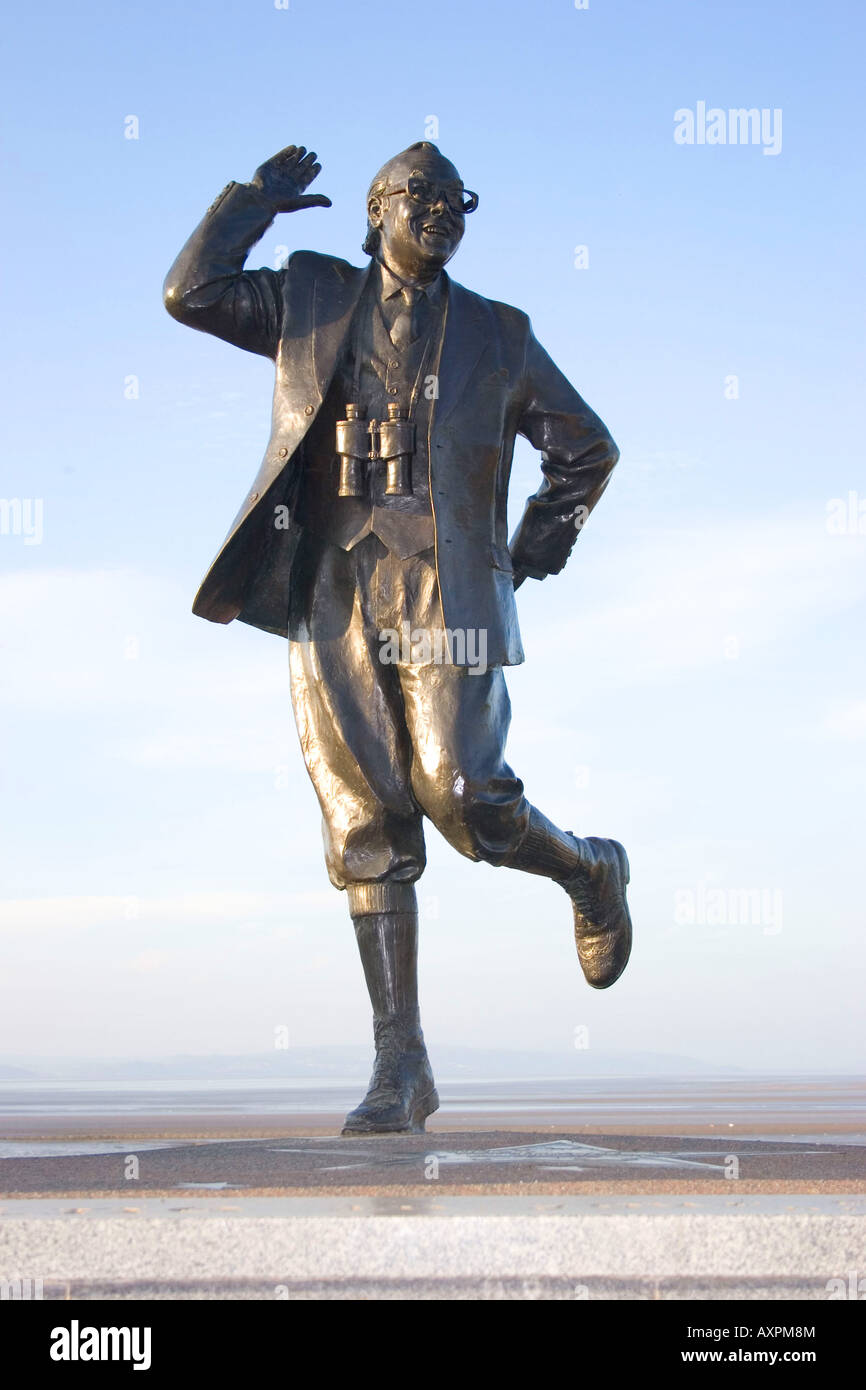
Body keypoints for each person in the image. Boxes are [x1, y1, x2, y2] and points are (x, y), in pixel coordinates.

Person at [164, 141, 632, 1135]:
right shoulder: (309, 296)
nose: (436, 211)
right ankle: (401, 1066)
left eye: (452, 200)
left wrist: (529, 552)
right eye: (416, 195)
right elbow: (188, 293)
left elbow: (585, 448)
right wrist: (252, 203)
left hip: (446, 592)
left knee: (461, 795)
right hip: (331, 585)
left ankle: (588, 869)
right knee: (365, 823)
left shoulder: (499, 337)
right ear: (373, 209)